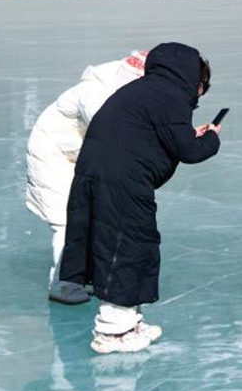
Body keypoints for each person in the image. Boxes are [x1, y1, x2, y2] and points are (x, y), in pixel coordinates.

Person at [59, 41, 222, 354]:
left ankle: (128, 321)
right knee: (127, 245)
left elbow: (158, 136)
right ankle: (112, 331)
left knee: (115, 242)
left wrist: (189, 134)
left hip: (98, 174)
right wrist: (212, 137)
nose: (201, 93)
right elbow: (188, 151)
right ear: (191, 78)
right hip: (121, 181)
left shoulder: (145, 90)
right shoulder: (170, 96)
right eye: (203, 85)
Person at [25, 49, 149, 304]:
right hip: (53, 155)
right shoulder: (94, 94)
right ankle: (62, 282)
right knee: (66, 221)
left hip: (85, 155)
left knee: (96, 216)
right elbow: (117, 133)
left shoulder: (125, 87)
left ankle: (88, 275)